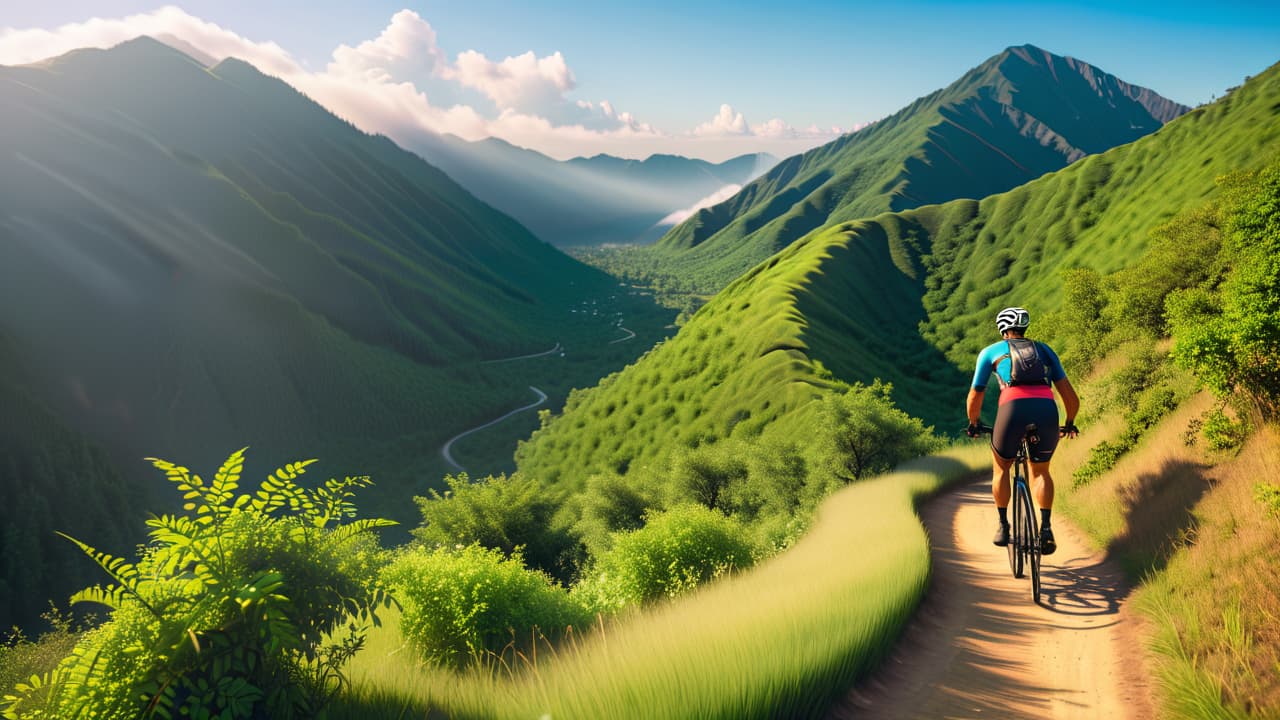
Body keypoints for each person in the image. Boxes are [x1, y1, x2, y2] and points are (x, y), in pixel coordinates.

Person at [966, 307, 1079, 555]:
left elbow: (976, 395)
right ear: (1024, 328)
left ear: (1003, 330)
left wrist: (973, 423)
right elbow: (1070, 396)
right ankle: (1046, 529)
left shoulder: (990, 352)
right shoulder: (1045, 350)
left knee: (1001, 467)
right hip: (1046, 410)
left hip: (1012, 409)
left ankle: (1003, 526)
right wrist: (1069, 421)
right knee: (1040, 471)